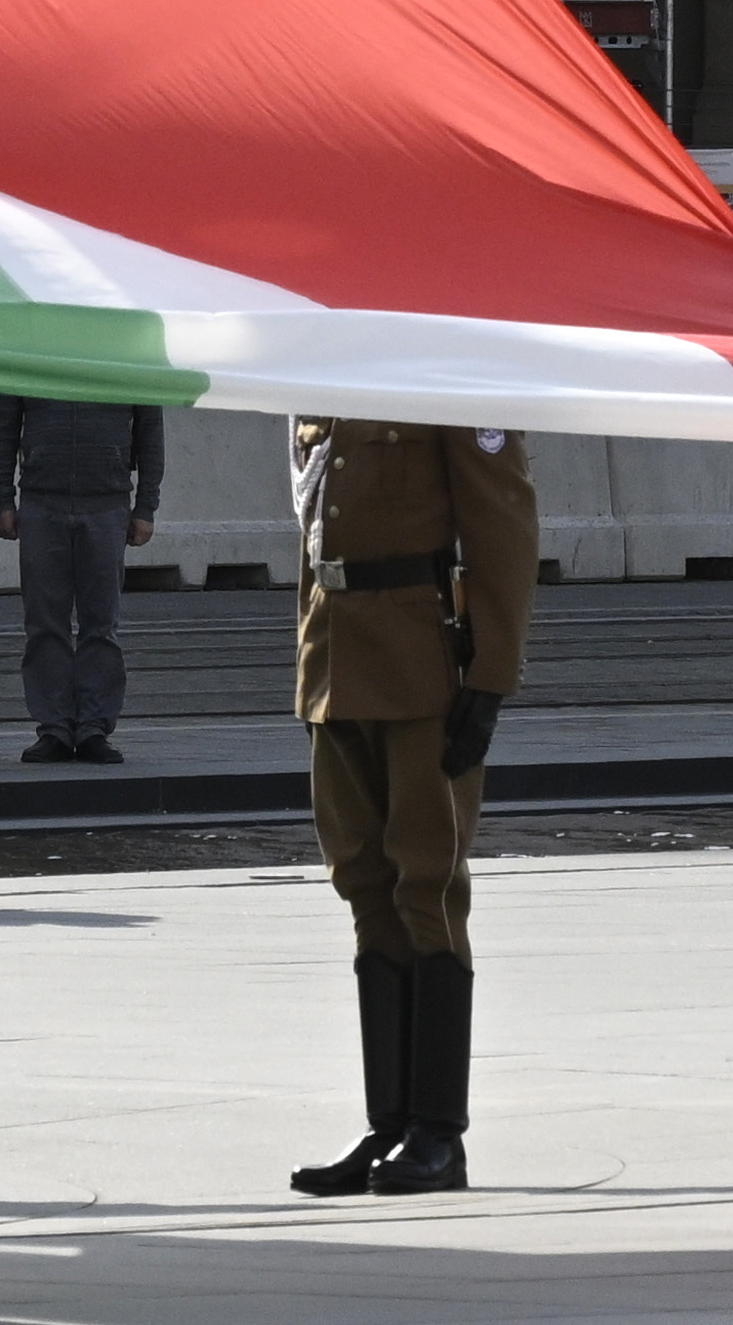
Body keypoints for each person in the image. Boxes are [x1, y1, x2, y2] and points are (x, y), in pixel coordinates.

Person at [280, 411, 535, 1198]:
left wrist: (489, 677)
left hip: (423, 661)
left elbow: (501, 524)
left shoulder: (443, 376)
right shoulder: (320, 387)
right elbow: (317, 538)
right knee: (363, 885)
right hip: (338, 659)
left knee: (425, 887)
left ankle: (436, 1133)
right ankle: (387, 1124)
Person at [0, 391, 163, 764]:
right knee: (44, 622)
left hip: (107, 503)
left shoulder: (126, 350)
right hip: (40, 502)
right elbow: (3, 423)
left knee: (101, 623)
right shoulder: (31, 347)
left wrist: (146, 505)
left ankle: (94, 727)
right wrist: (3, 499)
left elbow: (150, 428)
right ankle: (54, 728)